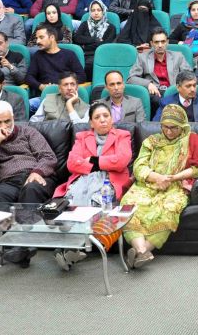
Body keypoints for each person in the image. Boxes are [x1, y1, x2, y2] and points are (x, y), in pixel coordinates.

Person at [122, 104, 198, 268]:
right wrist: (157, 177)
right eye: (165, 127)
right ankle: (141, 250)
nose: (168, 132)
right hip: (146, 184)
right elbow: (139, 167)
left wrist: (174, 177)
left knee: (170, 208)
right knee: (129, 206)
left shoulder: (193, 141)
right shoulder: (151, 142)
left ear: (182, 126)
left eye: (173, 128)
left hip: (175, 186)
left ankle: (140, 251)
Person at [0, 99, 58, 265]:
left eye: (7, 121)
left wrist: (37, 171)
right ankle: (18, 248)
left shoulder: (28, 132)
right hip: (9, 181)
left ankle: (21, 246)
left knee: (30, 190)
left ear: (13, 118)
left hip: (36, 176)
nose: (4, 126)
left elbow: (48, 156)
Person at [51, 101, 133, 270]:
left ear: (112, 119)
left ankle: (72, 248)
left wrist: (94, 161)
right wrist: (103, 163)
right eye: (97, 117)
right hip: (83, 179)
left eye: (106, 116)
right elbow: (72, 163)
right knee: (71, 202)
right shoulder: (82, 137)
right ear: (91, 123)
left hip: (109, 180)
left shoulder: (122, 135)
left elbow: (122, 160)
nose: (103, 120)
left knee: (94, 201)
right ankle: (70, 248)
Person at [128, 28, 192, 111]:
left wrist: (178, 87)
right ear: (151, 43)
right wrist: (148, 84)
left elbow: (189, 75)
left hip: (173, 91)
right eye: (156, 42)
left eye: (163, 41)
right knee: (157, 100)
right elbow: (131, 79)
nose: (160, 45)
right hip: (155, 94)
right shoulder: (143, 57)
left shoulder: (178, 56)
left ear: (167, 42)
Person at [25, 24, 85, 95]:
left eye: (41, 37)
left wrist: (62, 85)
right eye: (37, 38)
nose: (37, 41)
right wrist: (41, 86)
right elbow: (29, 77)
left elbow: (81, 76)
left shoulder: (69, 54)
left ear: (52, 37)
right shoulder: (38, 55)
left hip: (66, 95)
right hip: (45, 95)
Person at [72, 0, 116, 81]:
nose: (96, 13)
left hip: (100, 55)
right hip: (84, 54)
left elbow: (105, 45)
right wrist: (95, 40)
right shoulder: (84, 24)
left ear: (103, 11)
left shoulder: (111, 27)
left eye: (98, 10)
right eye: (93, 10)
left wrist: (85, 45)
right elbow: (77, 38)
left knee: (89, 64)